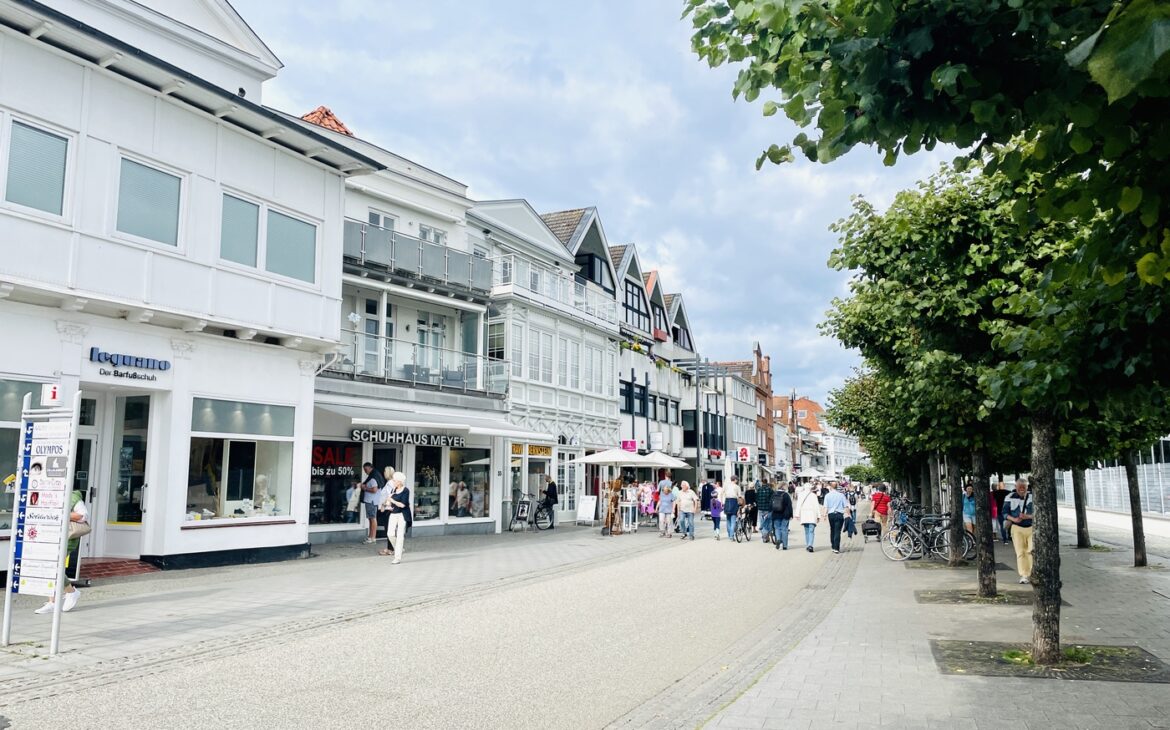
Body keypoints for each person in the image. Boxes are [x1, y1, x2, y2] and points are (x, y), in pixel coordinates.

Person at [35, 490, 89, 614]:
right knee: (49, 567)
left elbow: (83, 515)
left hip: (67, 537)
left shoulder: (73, 497)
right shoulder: (48, 494)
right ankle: (53, 602)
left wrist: (60, 513)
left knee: (53, 567)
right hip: (48, 535)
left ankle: (71, 592)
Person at [1002, 479, 1034, 584]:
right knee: (1020, 552)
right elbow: (1004, 513)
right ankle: (1024, 575)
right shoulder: (1009, 497)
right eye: (1019, 487)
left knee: (1031, 551)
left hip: (1031, 527)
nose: (1021, 490)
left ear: (1027, 487)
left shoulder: (1032, 497)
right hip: (1017, 528)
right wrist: (1014, 519)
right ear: (1016, 487)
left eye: (1023, 487)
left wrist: (1027, 516)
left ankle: (1033, 573)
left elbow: (1039, 513)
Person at [379, 472, 410, 564]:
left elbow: (403, 505)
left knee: (400, 536)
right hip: (393, 513)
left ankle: (397, 557)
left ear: (399, 482)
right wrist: (384, 505)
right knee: (390, 534)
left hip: (402, 515)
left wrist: (392, 500)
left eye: (394, 480)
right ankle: (399, 549)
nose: (393, 481)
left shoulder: (405, 490)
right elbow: (389, 503)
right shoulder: (394, 489)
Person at [357, 462, 383, 544]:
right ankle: (371, 537)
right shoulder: (375, 476)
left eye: (366, 469)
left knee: (372, 519)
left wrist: (365, 488)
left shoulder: (373, 478)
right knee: (371, 519)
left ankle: (372, 537)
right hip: (372, 501)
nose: (365, 471)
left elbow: (374, 490)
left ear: (370, 468)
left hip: (371, 501)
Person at [824, 482, 849, 554]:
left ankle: (833, 545)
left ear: (830, 487)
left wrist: (824, 515)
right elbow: (846, 506)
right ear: (837, 487)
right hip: (839, 514)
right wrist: (848, 514)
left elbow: (825, 506)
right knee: (837, 531)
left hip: (831, 514)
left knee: (832, 529)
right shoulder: (841, 495)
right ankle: (836, 547)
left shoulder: (827, 495)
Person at [797, 482, 821, 553]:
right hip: (812, 514)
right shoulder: (813, 495)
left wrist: (797, 514)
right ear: (810, 488)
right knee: (811, 530)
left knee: (806, 531)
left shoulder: (800, 495)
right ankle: (810, 545)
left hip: (804, 514)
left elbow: (798, 505)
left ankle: (808, 545)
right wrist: (819, 516)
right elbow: (817, 506)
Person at [770, 482, 794, 549]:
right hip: (785, 515)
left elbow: (770, 505)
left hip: (775, 514)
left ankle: (778, 539)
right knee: (784, 529)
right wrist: (791, 514)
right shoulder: (786, 495)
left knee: (777, 528)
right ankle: (785, 546)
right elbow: (789, 506)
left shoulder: (774, 494)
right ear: (784, 487)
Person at [723, 476, 742, 540]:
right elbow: (739, 496)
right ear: (735, 480)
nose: (737, 481)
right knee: (733, 520)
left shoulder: (726, 485)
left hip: (727, 501)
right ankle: (731, 536)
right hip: (733, 501)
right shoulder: (737, 487)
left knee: (728, 520)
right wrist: (740, 505)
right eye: (737, 480)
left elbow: (722, 493)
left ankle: (729, 535)